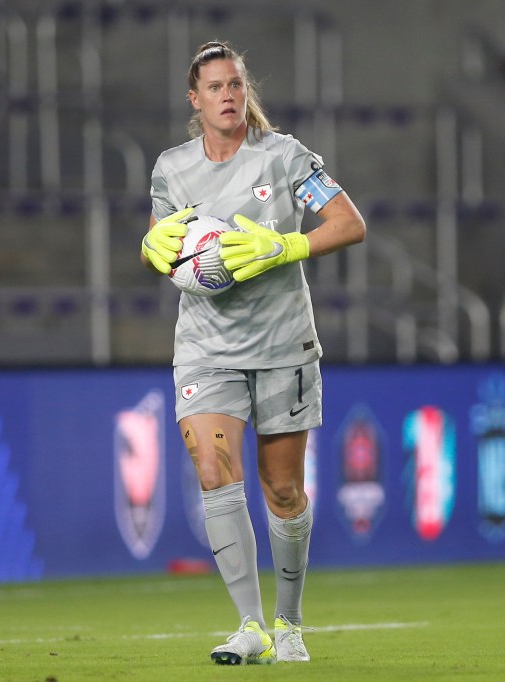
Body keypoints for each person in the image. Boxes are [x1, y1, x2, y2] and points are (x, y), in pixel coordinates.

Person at [140, 41, 365, 665]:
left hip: (281, 343)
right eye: (215, 87)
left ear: (247, 91)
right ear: (196, 99)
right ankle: (250, 626)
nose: (228, 95)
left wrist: (284, 247)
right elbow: (167, 247)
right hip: (205, 348)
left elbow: (350, 224)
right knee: (213, 473)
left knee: (283, 490)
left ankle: (290, 624)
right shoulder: (171, 169)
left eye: (236, 84)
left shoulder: (287, 156)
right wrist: (150, 249)